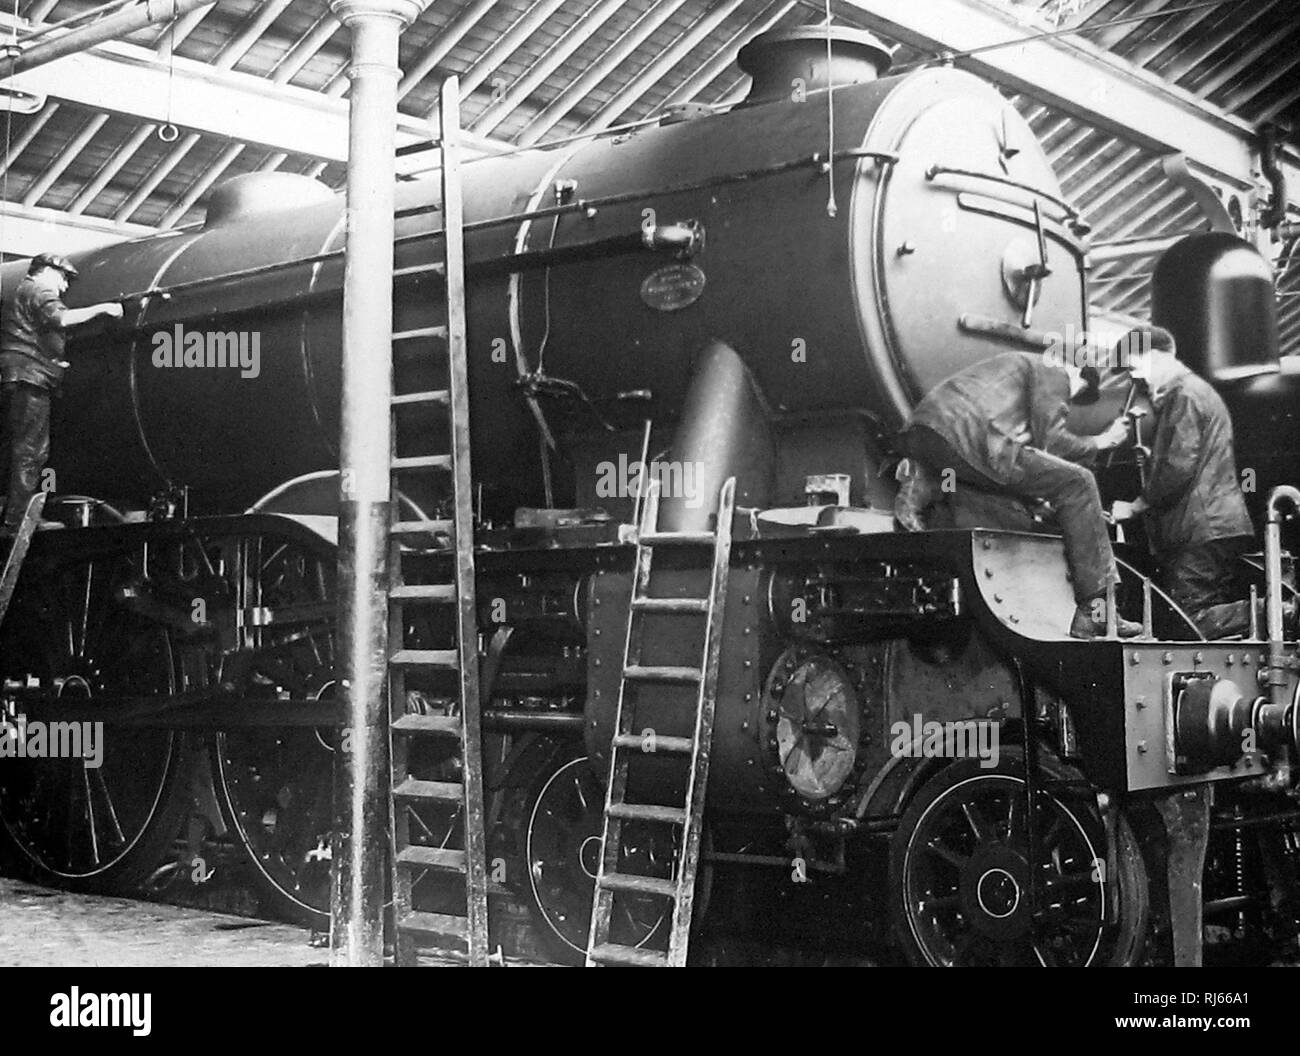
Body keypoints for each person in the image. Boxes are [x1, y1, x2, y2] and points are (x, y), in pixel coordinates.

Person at [894, 350, 1139, 639]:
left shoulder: (1012, 370)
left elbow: (1013, 471)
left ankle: (924, 484)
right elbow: (1052, 443)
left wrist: (1053, 508)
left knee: (969, 482)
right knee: (1079, 483)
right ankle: (1096, 610)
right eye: (1073, 398)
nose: (1066, 404)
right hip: (971, 435)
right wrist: (1101, 442)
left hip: (926, 432)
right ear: (1081, 376)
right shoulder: (1055, 370)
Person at [1109, 326, 1257, 639]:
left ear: (1155, 356)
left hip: (1201, 527)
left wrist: (1135, 507)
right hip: (1215, 526)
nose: (1137, 380)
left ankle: (1280, 612)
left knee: (1189, 621)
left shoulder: (1184, 395)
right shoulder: (1196, 393)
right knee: (1209, 624)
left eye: (1135, 367)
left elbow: (1177, 466)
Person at [0, 252, 123, 532]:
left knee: (21, 448)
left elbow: (32, 336)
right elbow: (62, 319)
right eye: (63, 277)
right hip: (29, 379)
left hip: (21, 375)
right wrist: (104, 308)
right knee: (32, 451)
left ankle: (14, 514)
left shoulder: (22, 292)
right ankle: (17, 521)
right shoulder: (38, 289)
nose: (65, 286)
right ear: (46, 271)